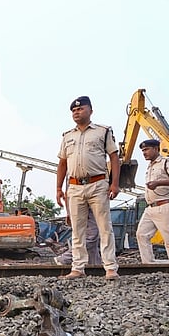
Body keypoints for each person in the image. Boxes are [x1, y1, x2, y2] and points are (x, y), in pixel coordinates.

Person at [55, 96, 120, 280]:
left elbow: (114, 157)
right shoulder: (68, 136)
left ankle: (110, 268)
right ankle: (77, 268)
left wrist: (114, 183)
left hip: (98, 184)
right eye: (73, 111)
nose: (76, 112)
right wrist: (59, 188)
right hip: (74, 186)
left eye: (80, 109)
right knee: (77, 229)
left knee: (104, 227)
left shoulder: (102, 132)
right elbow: (62, 163)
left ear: (90, 110)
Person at [134, 139, 169, 264]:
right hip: (151, 207)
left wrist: (158, 183)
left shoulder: (166, 162)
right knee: (142, 234)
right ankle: (148, 264)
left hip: (165, 205)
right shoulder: (150, 166)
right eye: (142, 150)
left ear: (156, 149)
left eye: (146, 149)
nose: (144, 153)